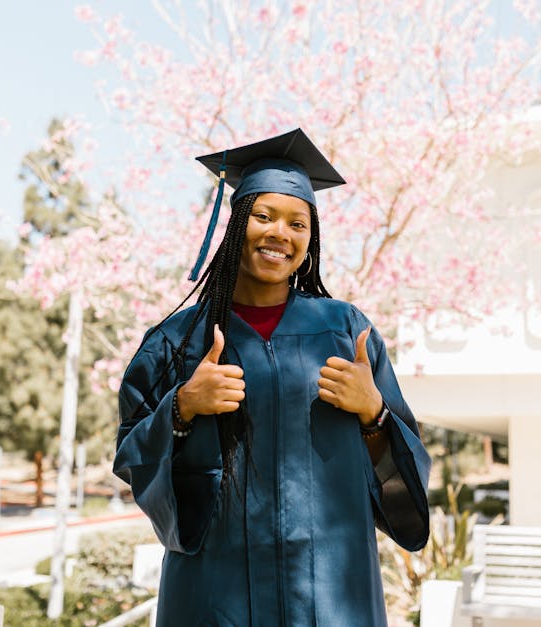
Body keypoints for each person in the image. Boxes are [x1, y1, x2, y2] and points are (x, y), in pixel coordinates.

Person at [114, 129, 430, 625]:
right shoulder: (178, 341)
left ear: (311, 238)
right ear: (238, 223)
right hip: (216, 592)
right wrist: (181, 407)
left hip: (329, 593)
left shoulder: (346, 330)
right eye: (264, 216)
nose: (281, 233)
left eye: (298, 223)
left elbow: (404, 475)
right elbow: (131, 456)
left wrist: (374, 413)